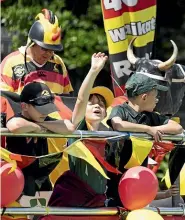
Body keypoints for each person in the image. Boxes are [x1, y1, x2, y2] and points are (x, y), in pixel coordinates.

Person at [5, 52, 108, 197]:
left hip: (41, 182)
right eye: (40, 108)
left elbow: (69, 127)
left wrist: (41, 124)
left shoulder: (44, 119)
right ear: (24, 106)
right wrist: (38, 127)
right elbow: (15, 125)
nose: (45, 113)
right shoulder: (19, 116)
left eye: (47, 108)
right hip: (16, 180)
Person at [106, 73, 183, 206]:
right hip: (115, 186)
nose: (157, 100)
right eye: (156, 96)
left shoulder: (150, 116)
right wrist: (148, 130)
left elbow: (177, 128)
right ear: (144, 97)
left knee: (177, 203)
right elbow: (118, 124)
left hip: (138, 184)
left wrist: (157, 128)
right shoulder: (120, 110)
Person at [1, 8, 73, 95]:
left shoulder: (58, 63)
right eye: (45, 49)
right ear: (32, 43)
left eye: (52, 50)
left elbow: (67, 99)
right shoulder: (10, 63)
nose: (49, 54)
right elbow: (3, 102)